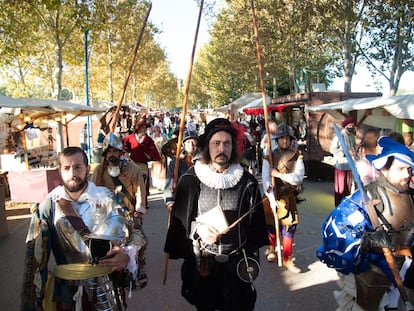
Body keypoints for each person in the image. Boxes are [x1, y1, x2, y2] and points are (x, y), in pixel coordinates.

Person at [164, 118, 269, 311]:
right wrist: (198, 229)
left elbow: (255, 228)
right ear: (207, 146)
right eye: (216, 143)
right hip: (203, 263)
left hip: (237, 263)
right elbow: (181, 224)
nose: (222, 148)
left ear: (233, 147)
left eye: (227, 143)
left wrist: (251, 260)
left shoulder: (247, 181)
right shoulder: (191, 179)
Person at [21, 146, 142, 310]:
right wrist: (33, 304)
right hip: (66, 293)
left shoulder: (109, 198)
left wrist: (127, 256)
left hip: (107, 290)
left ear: (87, 169)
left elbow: (136, 233)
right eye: (66, 168)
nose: (72, 173)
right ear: (60, 171)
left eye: (77, 167)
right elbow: (35, 262)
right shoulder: (48, 205)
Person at [317, 136, 414, 310]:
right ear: (384, 168)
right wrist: (367, 240)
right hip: (370, 271)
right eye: (401, 169)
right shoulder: (369, 196)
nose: (408, 174)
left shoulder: (411, 196)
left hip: (402, 269)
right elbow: (337, 230)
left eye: (410, 169)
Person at [91, 132, 148, 289]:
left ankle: (137, 272)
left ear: (120, 152)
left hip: (128, 217)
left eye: (114, 151)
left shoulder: (132, 168)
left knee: (140, 242)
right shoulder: (99, 171)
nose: (112, 154)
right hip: (105, 217)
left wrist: (139, 210)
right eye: (108, 151)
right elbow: (92, 192)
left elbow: (140, 191)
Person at [261, 123, 305, 273]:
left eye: (287, 139)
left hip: (288, 197)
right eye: (282, 139)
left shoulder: (297, 156)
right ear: (277, 140)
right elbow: (266, 179)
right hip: (273, 195)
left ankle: (287, 259)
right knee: (272, 226)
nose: (284, 141)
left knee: (289, 227)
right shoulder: (269, 156)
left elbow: (298, 178)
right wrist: (272, 199)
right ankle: (272, 249)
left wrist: (279, 175)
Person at [123, 119, 161, 200]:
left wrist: (149, 156)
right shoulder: (129, 138)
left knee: (143, 182)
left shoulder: (148, 139)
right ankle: (132, 199)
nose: (144, 129)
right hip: (131, 163)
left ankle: (143, 200)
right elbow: (124, 148)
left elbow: (153, 150)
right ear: (138, 128)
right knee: (131, 182)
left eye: (145, 128)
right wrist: (126, 154)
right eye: (143, 127)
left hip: (143, 164)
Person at [164, 134, 200, 212]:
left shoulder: (203, 160)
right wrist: (169, 201)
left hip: (200, 199)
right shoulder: (176, 162)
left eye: (193, 141)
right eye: (188, 142)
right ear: (184, 145)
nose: (191, 144)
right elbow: (169, 181)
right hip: (182, 199)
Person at [330, 116, 357, 206]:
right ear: (345, 126)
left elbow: (353, 148)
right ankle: (338, 205)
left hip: (350, 165)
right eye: (350, 125)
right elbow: (332, 149)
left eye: (353, 126)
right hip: (341, 165)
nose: (351, 127)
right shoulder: (339, 136)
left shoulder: (352, 136)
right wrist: (344, 152)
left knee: (347, 188)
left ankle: (346, 205)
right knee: (340, 188)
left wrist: (355, 153)